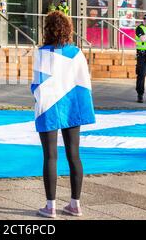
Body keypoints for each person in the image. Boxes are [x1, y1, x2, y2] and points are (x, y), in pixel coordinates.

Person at [31, 11, 96, 218]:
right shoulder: (76, 53)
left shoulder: (40, 53)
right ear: (68, 29)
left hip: (49, 106)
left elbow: (36, 83)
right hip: (71, 105)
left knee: (50, 156)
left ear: (47, 29)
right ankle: (75, 204)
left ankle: (50, 207)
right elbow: (84, 81)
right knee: (74, 155)